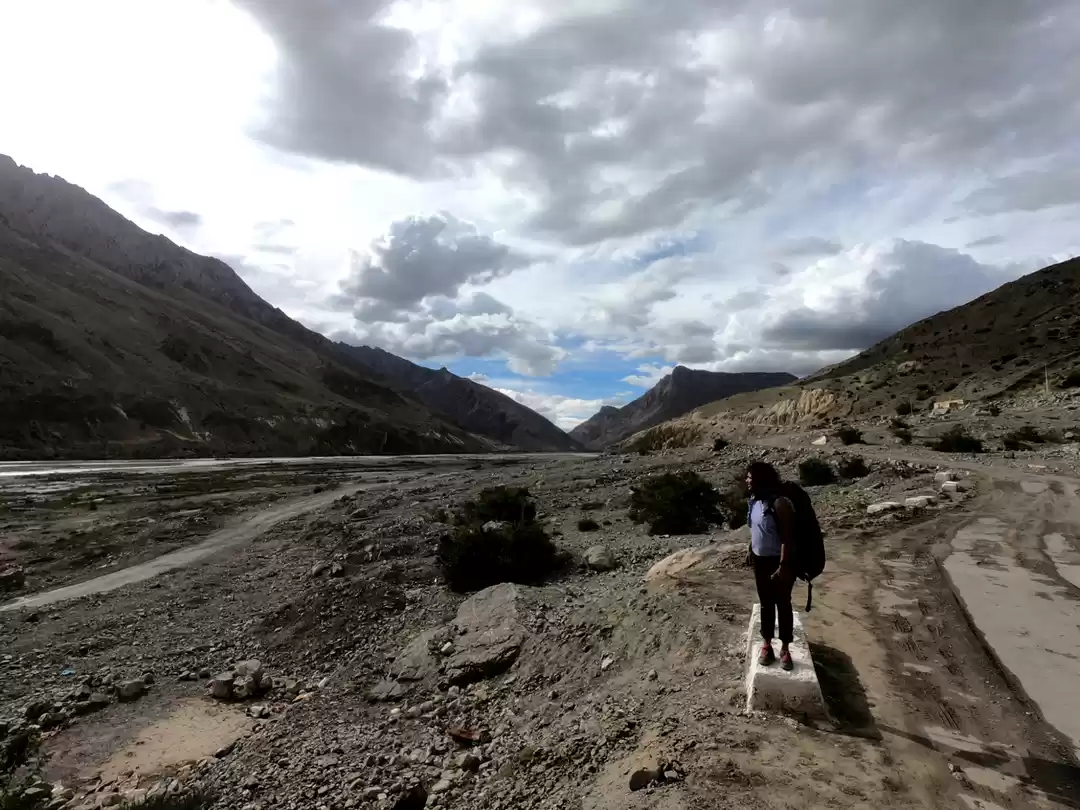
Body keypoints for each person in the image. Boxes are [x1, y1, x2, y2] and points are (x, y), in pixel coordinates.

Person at [746, 461, 796, 671]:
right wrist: (751, 549)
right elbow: (755, 529)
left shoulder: (779, 504)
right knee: (766, 603)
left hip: (780, 561)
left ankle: (785, 648)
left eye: (750, 477)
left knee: (783, 603)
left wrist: (784, 565)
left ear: (760, 479)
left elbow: (788, 537)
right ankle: (767, 644)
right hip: (760, 560)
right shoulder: (753, 502)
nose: (747, 481)